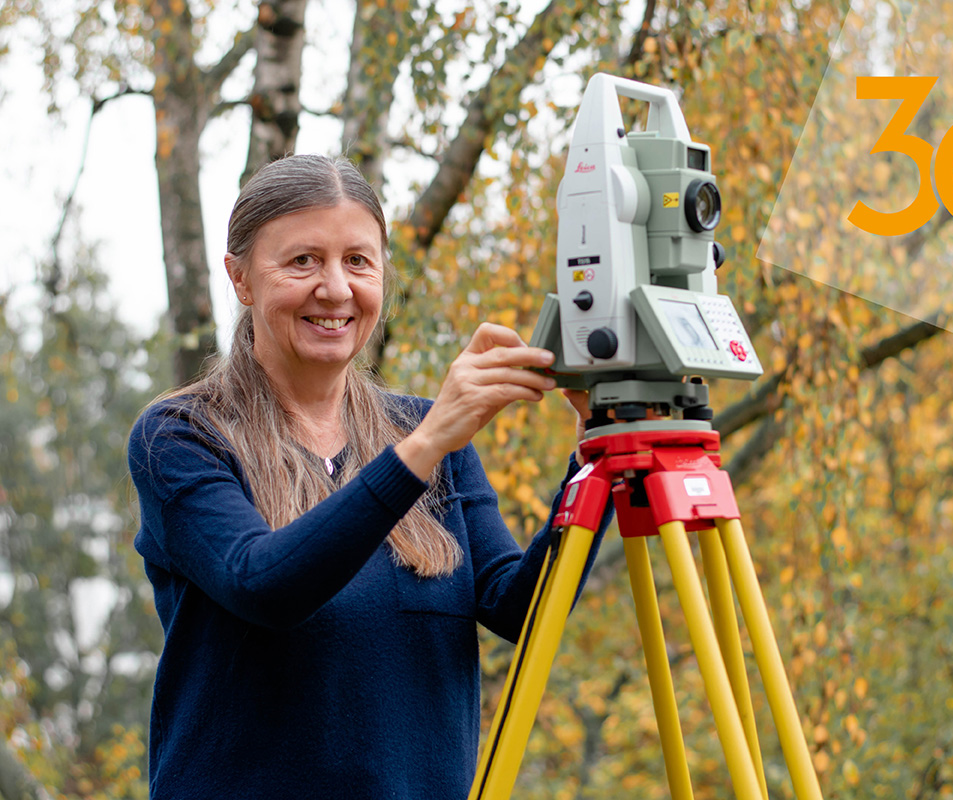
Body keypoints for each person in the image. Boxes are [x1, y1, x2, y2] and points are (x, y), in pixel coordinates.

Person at [127, 153, 612, 798]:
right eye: (302, 261)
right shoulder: (180, 435)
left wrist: (598, 457)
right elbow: (263, 582)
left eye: (358, 261)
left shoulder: (422, 432)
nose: (335, 288)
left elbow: (520, 609)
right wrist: (429, 442)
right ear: (240, 279)